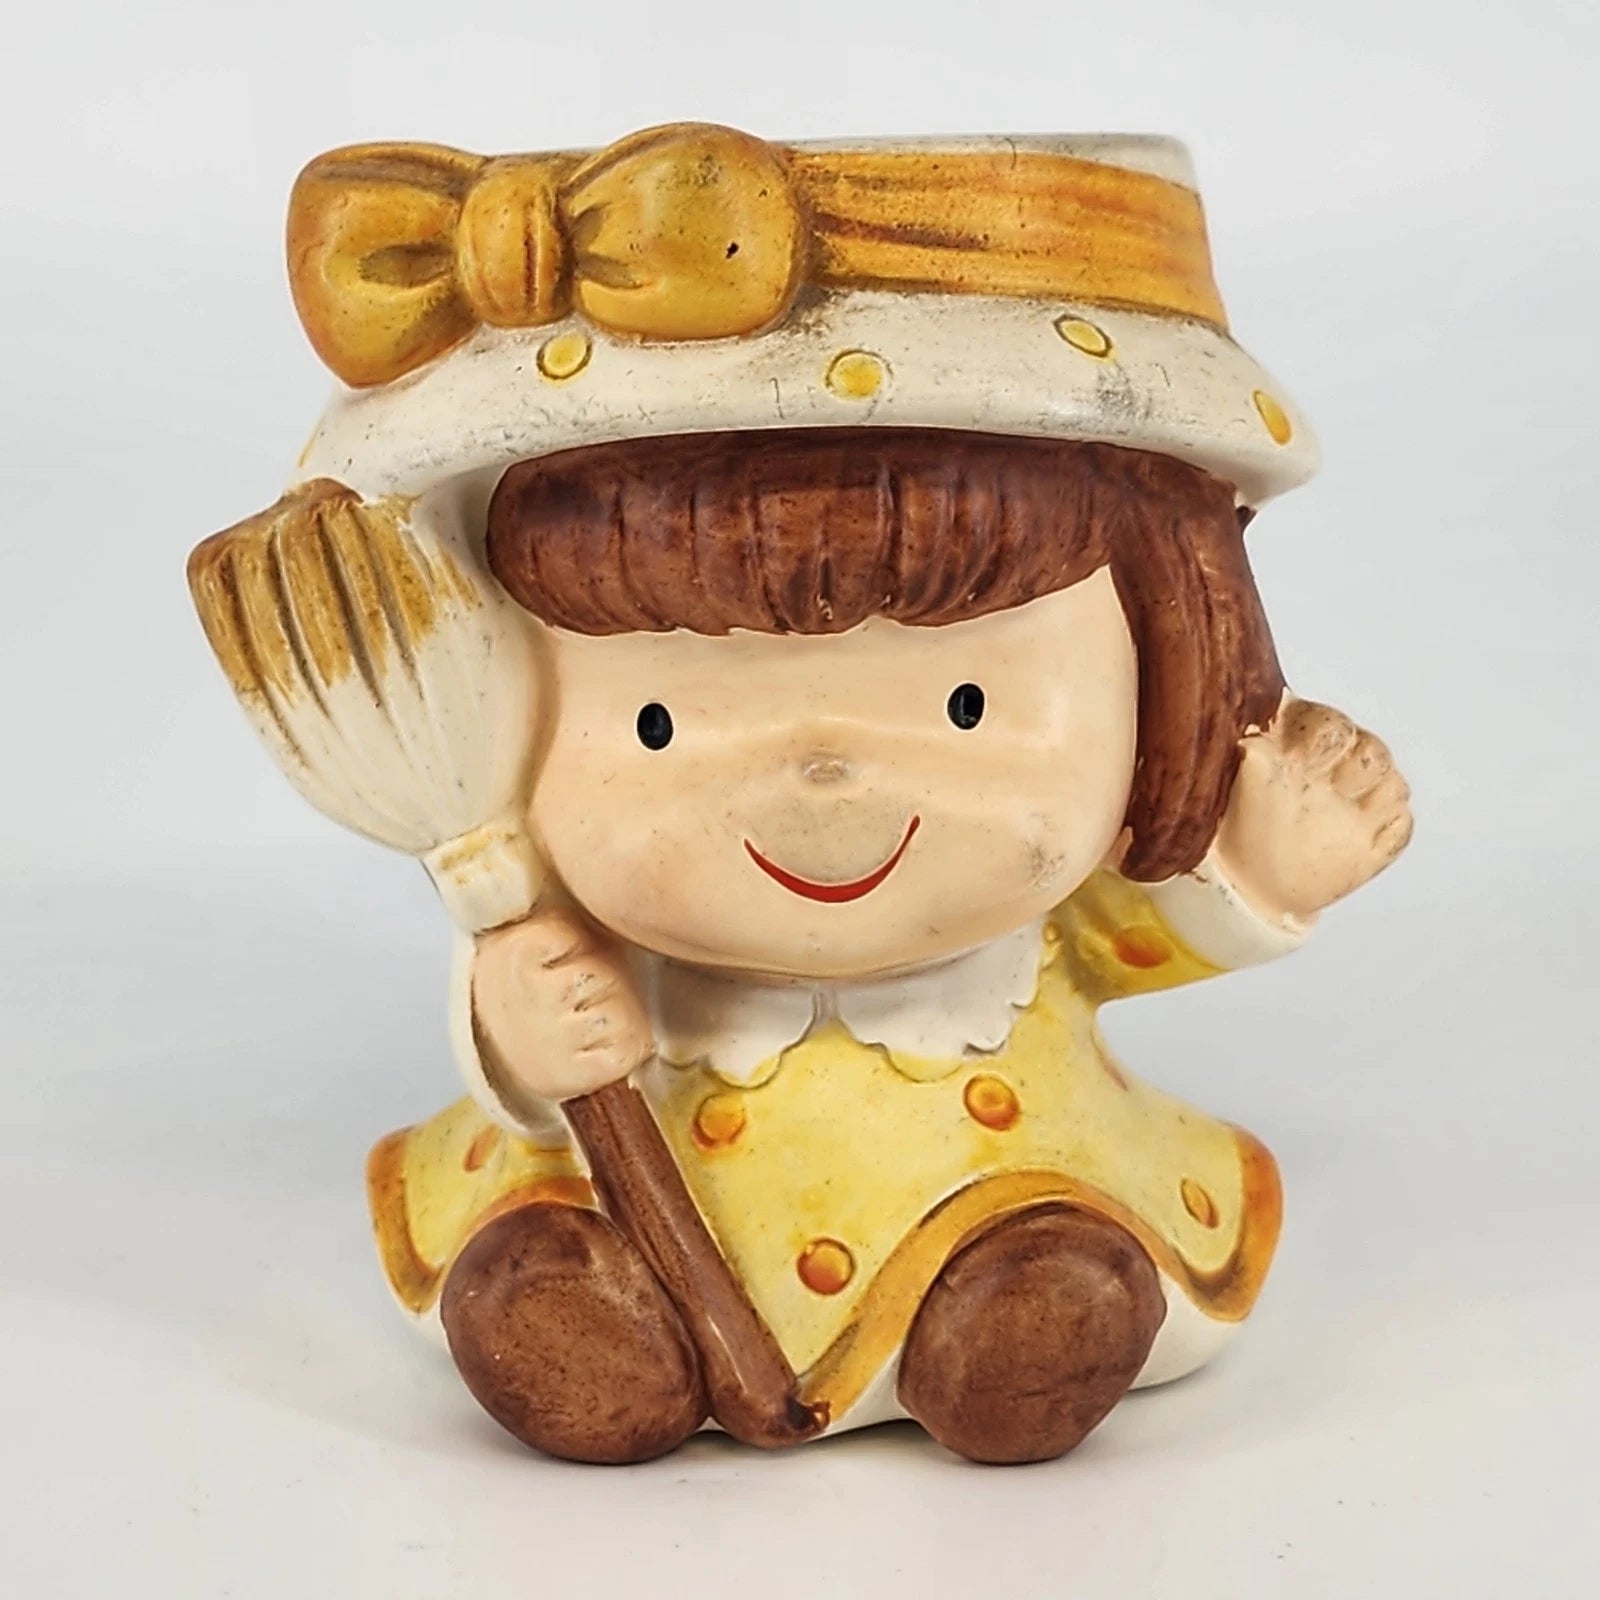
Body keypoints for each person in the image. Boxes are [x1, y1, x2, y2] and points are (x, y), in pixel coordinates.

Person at [189, 123, 1411, 1466]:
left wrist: (1266, 870)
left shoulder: (1029, 923)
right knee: (537, 1254)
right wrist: (517, 1029)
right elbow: (518, 1022)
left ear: (1166, 656)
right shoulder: (587, 915)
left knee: (1049, 1248)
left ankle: (1019, 1322)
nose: (824, 783)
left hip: (1002, 1157)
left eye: (966, 705)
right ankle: (588, 1327)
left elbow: (1130, 932)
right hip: (631, 1178)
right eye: (658, 724)